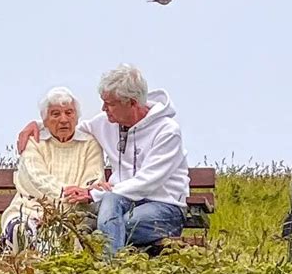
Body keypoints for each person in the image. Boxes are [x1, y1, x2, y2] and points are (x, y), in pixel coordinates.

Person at [18, 64, 189, 254]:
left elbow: (147, 182)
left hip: (163, 207)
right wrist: (37, 124)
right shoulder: (105, 122)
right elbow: (69, 125)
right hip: (118, 203)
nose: (103, 108)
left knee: (114, 226)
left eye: (110, 103)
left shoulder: (167, 131)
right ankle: (111, 271)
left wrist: (92, 194)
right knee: (105, 214)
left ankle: (110, 273)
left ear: (132, 103)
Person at [1, 87, 104, 254]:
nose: (63, 120)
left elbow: (92, 182)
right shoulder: (34, 141)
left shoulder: (90, 143)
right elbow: (36, 179)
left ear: (77, 118)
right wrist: (64, 196)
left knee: (60, 237)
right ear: (45, 121)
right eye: (55, 114)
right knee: (20, 232)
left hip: (74, 214)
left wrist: (59, 214)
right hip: (30, 209)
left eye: (69, 113)